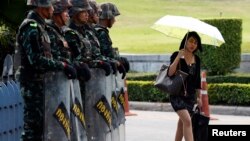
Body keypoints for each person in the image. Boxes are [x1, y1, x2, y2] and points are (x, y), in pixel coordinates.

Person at [16, 0, 77, 140]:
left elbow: (49, 56)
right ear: (41, 6)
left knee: (43, 128)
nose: (53, 9)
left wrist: (66, 63)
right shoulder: (30, 26)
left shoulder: (41, 27)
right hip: (32, 84)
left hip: (42, 84)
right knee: (33, 129)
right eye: (50, 5)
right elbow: (36, 60)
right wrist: (62, 66)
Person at [167, 31, 202, 141]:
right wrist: (178, 57)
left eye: (196, 43)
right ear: (185, 41)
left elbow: (197, 81)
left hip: (190, 97)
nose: (193, 44)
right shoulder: (176, 55)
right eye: (191, 41)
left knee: (182, 124)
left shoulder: (197, 59)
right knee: (187, 121)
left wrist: (199, 97)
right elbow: (170, 73)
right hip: (177, 95)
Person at [94, 2, 128, 79]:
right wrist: (119, 61)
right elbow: (106, 54)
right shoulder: (101, 32)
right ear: (108, 17)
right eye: (113, 17)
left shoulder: (99, 30)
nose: (114, 20)